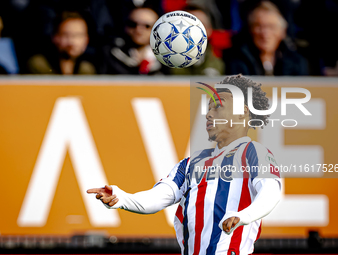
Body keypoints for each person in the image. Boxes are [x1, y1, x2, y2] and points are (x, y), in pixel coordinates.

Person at [87, 74, 281, 255]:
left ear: (242, 113)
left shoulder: (254, 153)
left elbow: (270, 193)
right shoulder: (191, 164)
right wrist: (122, 198)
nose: (208, 114)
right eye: (209, 108)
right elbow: (159, 197)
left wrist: (244, 217)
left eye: (217, 107)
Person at [224, 1, 308, 76]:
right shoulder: (235, 60)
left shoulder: (296, 62)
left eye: (271, 27)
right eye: (258, 26)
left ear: (282, 32)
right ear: (250, 29)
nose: (265, 33)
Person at [27, 11, 96, 75]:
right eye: (66, 35)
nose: (72, 42)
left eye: (78, 35)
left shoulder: (87, 70)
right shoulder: (39, 65)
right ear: (55, 37)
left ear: (86, 40)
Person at [101, 7, 165, 75]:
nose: (139, 30)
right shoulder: (109, 55)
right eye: (133, 24)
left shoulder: (166, 60)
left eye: (147, 26)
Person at [171, 5, 225, 76]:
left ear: (209, 30)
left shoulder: (221, 63)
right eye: (189, 25)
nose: (194, 31)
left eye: (201, 25)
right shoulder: (163, 62)